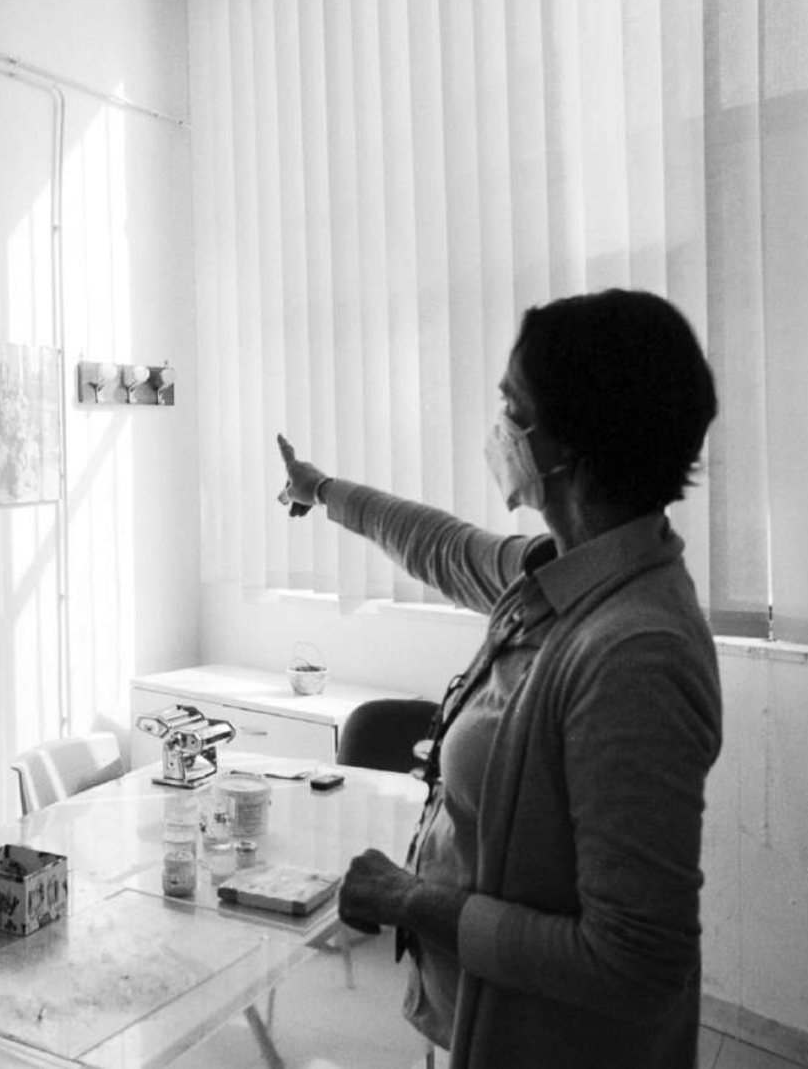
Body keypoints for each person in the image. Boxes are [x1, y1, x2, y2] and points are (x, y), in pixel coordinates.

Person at [278, 289, 721, 1067]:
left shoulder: (634, 654)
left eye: (513, 406)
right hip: (488, 1027)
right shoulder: (565, 575)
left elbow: (634, 964)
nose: (500, 428)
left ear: (572, 442)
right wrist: (323, 492)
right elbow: (442, 547)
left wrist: (412, 902)